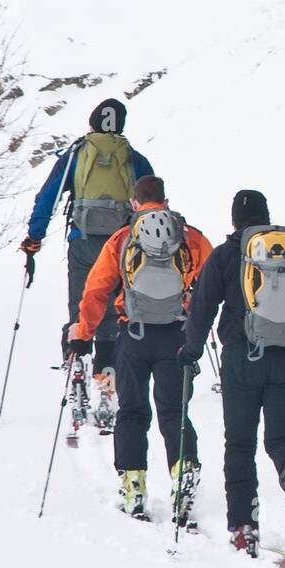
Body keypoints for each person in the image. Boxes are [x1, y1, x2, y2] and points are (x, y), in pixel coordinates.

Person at [181, 189, 285, 558]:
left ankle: (243, 527)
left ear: (235, 220)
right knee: (283, 441)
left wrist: (189, 353)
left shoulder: (225, 256)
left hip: (241, 359)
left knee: (239, 445)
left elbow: (202, 310)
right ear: (267, 216)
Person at [67, 175, 212, 523]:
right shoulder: (190, 236)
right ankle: (182, 472)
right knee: (175, 411)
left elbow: (96, 289)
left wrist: (82, 334)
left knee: (132, 411)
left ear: (134, 202)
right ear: (165, 199)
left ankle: (133, 484)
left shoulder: (122, 238)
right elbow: (210, 281)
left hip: (132, 335)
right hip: (177, 335)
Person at [20, 97, 154, 408]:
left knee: (81, 303)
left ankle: (76, 360)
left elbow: (48, 198)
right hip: (122, 245)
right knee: (112, 309)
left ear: (92, 123)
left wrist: (34, 239)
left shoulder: (76, 155)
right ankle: (106, 374)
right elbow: (151, 204)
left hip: (82, 241)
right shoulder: (134, 159)